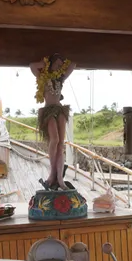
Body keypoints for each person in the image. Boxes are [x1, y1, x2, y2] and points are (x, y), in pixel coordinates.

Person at [30, 54, 75, 191]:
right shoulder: (43, 76)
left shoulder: (61, 78)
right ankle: (52, 174)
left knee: (61, 143)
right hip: (48, 110)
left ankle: (60, 179)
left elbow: (73, 65)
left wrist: (64, 65)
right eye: (57, 64)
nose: (59, 67)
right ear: (52, 63)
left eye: (61, 65)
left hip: (60, 110)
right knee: (54, 140)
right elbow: (32, 66)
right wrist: (44, 64)